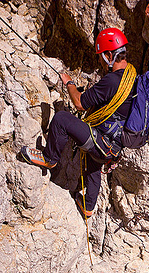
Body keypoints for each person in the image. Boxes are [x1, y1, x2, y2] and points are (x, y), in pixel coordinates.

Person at [20, 27, 136, 218]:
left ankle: (49, 159)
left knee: (62, 119)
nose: (99, 60)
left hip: (102, 142)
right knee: (94, 164)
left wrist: (69, 83)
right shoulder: (133, 79)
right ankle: (88, 205)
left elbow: (79, 103)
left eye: (101, 56)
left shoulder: (113, 81)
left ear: (109, 55)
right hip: (113, 147)